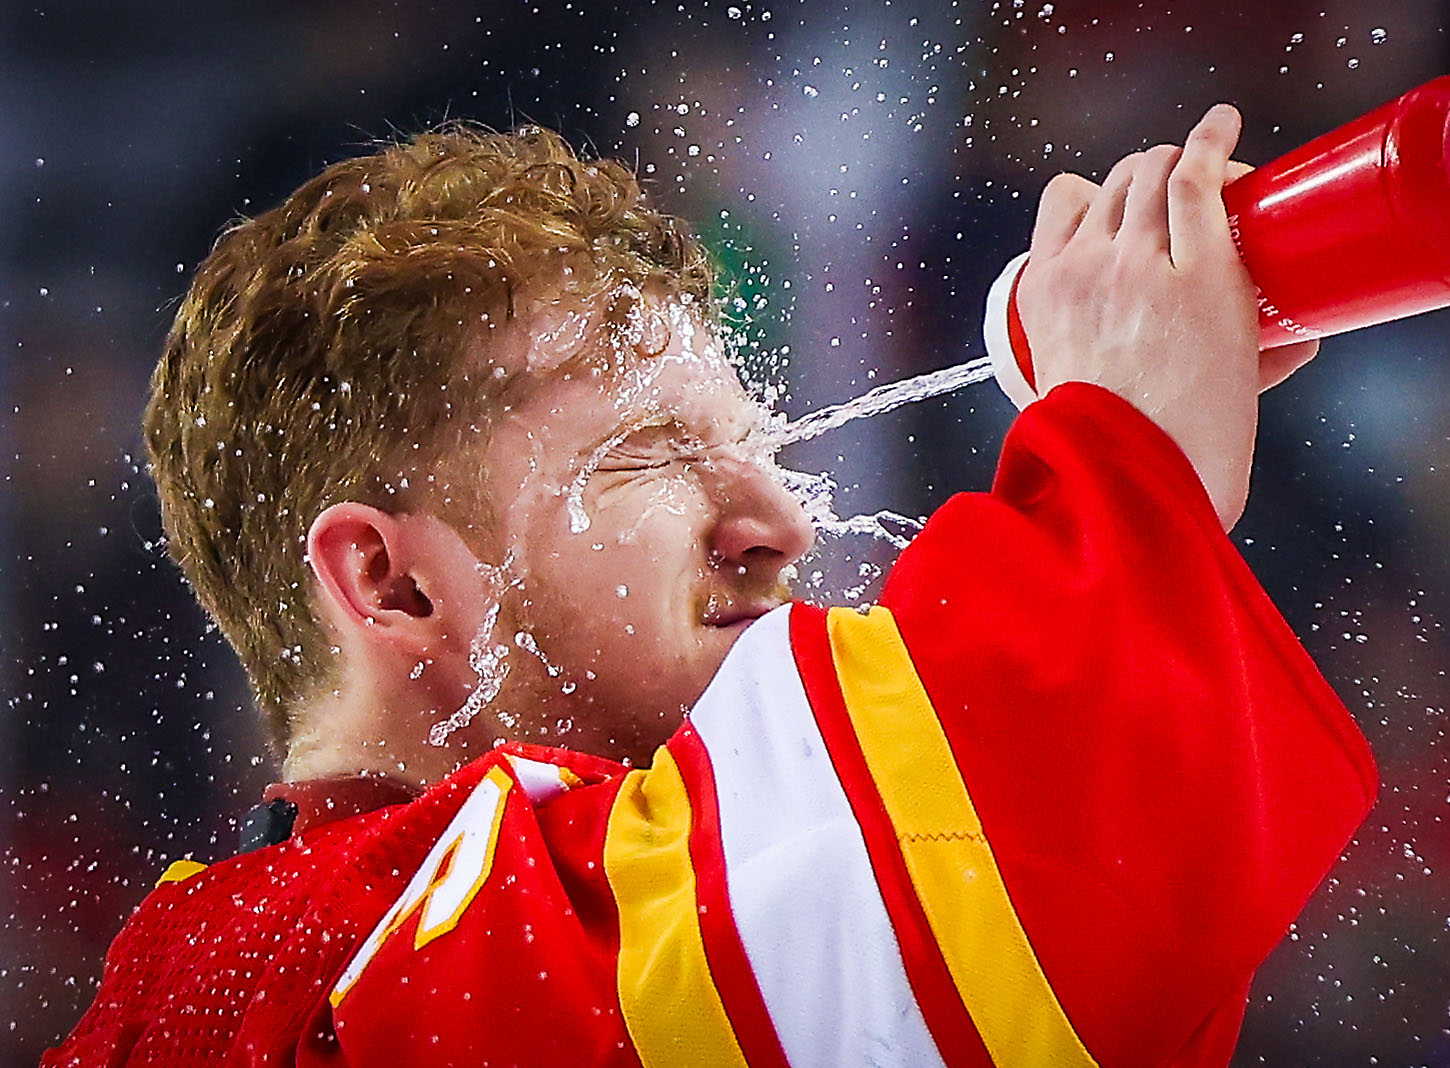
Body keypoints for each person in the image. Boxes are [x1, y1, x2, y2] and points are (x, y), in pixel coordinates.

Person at [44, 103, 1376, 1068]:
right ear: (390, 585)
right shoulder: (334, 961)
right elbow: (979, 901)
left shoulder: (212, 970)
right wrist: (1123, 451)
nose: (782, 527)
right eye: (652, 456)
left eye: (762, 452)